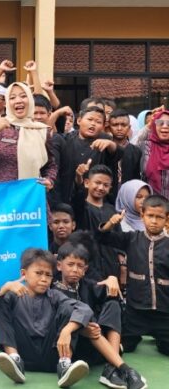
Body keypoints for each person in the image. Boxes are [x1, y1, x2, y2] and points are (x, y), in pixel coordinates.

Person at [0, 248, 93, 387]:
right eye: (38, 273)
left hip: (53, 355)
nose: (43, 279)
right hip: (23, 353)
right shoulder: (12, 296)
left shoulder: (55, 295)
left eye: (48, 275)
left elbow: (84, 309)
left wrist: (67, 331)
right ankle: (15, 360)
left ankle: (65, 365)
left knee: (69, 308)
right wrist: (5, 287)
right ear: (24, 274)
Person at [52, 242, 141, 388]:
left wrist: (112, 280)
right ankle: (122, 367)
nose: (75, 269)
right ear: (59, 266)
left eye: (80, 266)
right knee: (81, 314)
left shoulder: (88, 285)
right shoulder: (51, 290)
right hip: (71, 349)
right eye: (70, 264)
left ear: (85, 270)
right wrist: (81, 329)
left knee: (112, 304)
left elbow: (111, 298)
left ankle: (111, 368)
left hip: (96, 346)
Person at [97, 194, 169, 358]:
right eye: (150, 216)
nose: (154, 221)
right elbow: (102, 237)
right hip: (136, 312)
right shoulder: (131, 238)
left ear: (166, 219)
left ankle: (161, 340)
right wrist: (110, 223)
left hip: (165, 312)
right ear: (142, 215)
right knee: (124, 346)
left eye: (159, 217)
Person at [0, 82, 56, 188]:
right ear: (7, 103)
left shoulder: (41, 130)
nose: (18, 100)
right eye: (12, 97)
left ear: (30, 101)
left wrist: (49, 180)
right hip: (1, 194)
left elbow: (50, 165)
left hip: (29, 193)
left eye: (23, 96)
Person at [54, 105, 122, 205]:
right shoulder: (67, 139)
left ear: (103, 126)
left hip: (96, 201)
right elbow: (50, 136)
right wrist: (56, 114)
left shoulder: (105, 140)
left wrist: (110, 144)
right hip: (68, 196)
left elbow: (118, 152)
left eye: (98, 122)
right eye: (90, 119)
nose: (93, 124)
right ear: (79, 121)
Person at [71, 164, 121, 280]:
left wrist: (122, 265)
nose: (101, 188)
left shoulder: (111, 210)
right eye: (97, 183)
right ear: (87, 183)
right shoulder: (81, 207)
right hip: (88, 267)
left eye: (105, 185)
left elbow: (119, 239)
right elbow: (77, 196)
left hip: (111, 266)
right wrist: (79, 177)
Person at [138, 108, 169, 199]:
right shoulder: (146, 146)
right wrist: (148, 125)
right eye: (160, 123)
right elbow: (130, 147)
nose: (165, 126)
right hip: (151, 203)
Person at [109, 109, 142, 185]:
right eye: (115, 125)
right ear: (110, 127)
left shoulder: (136, 151)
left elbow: (137, 178)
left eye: (123, 125)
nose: (119, 128)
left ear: (129, 127)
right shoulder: (105, 148)